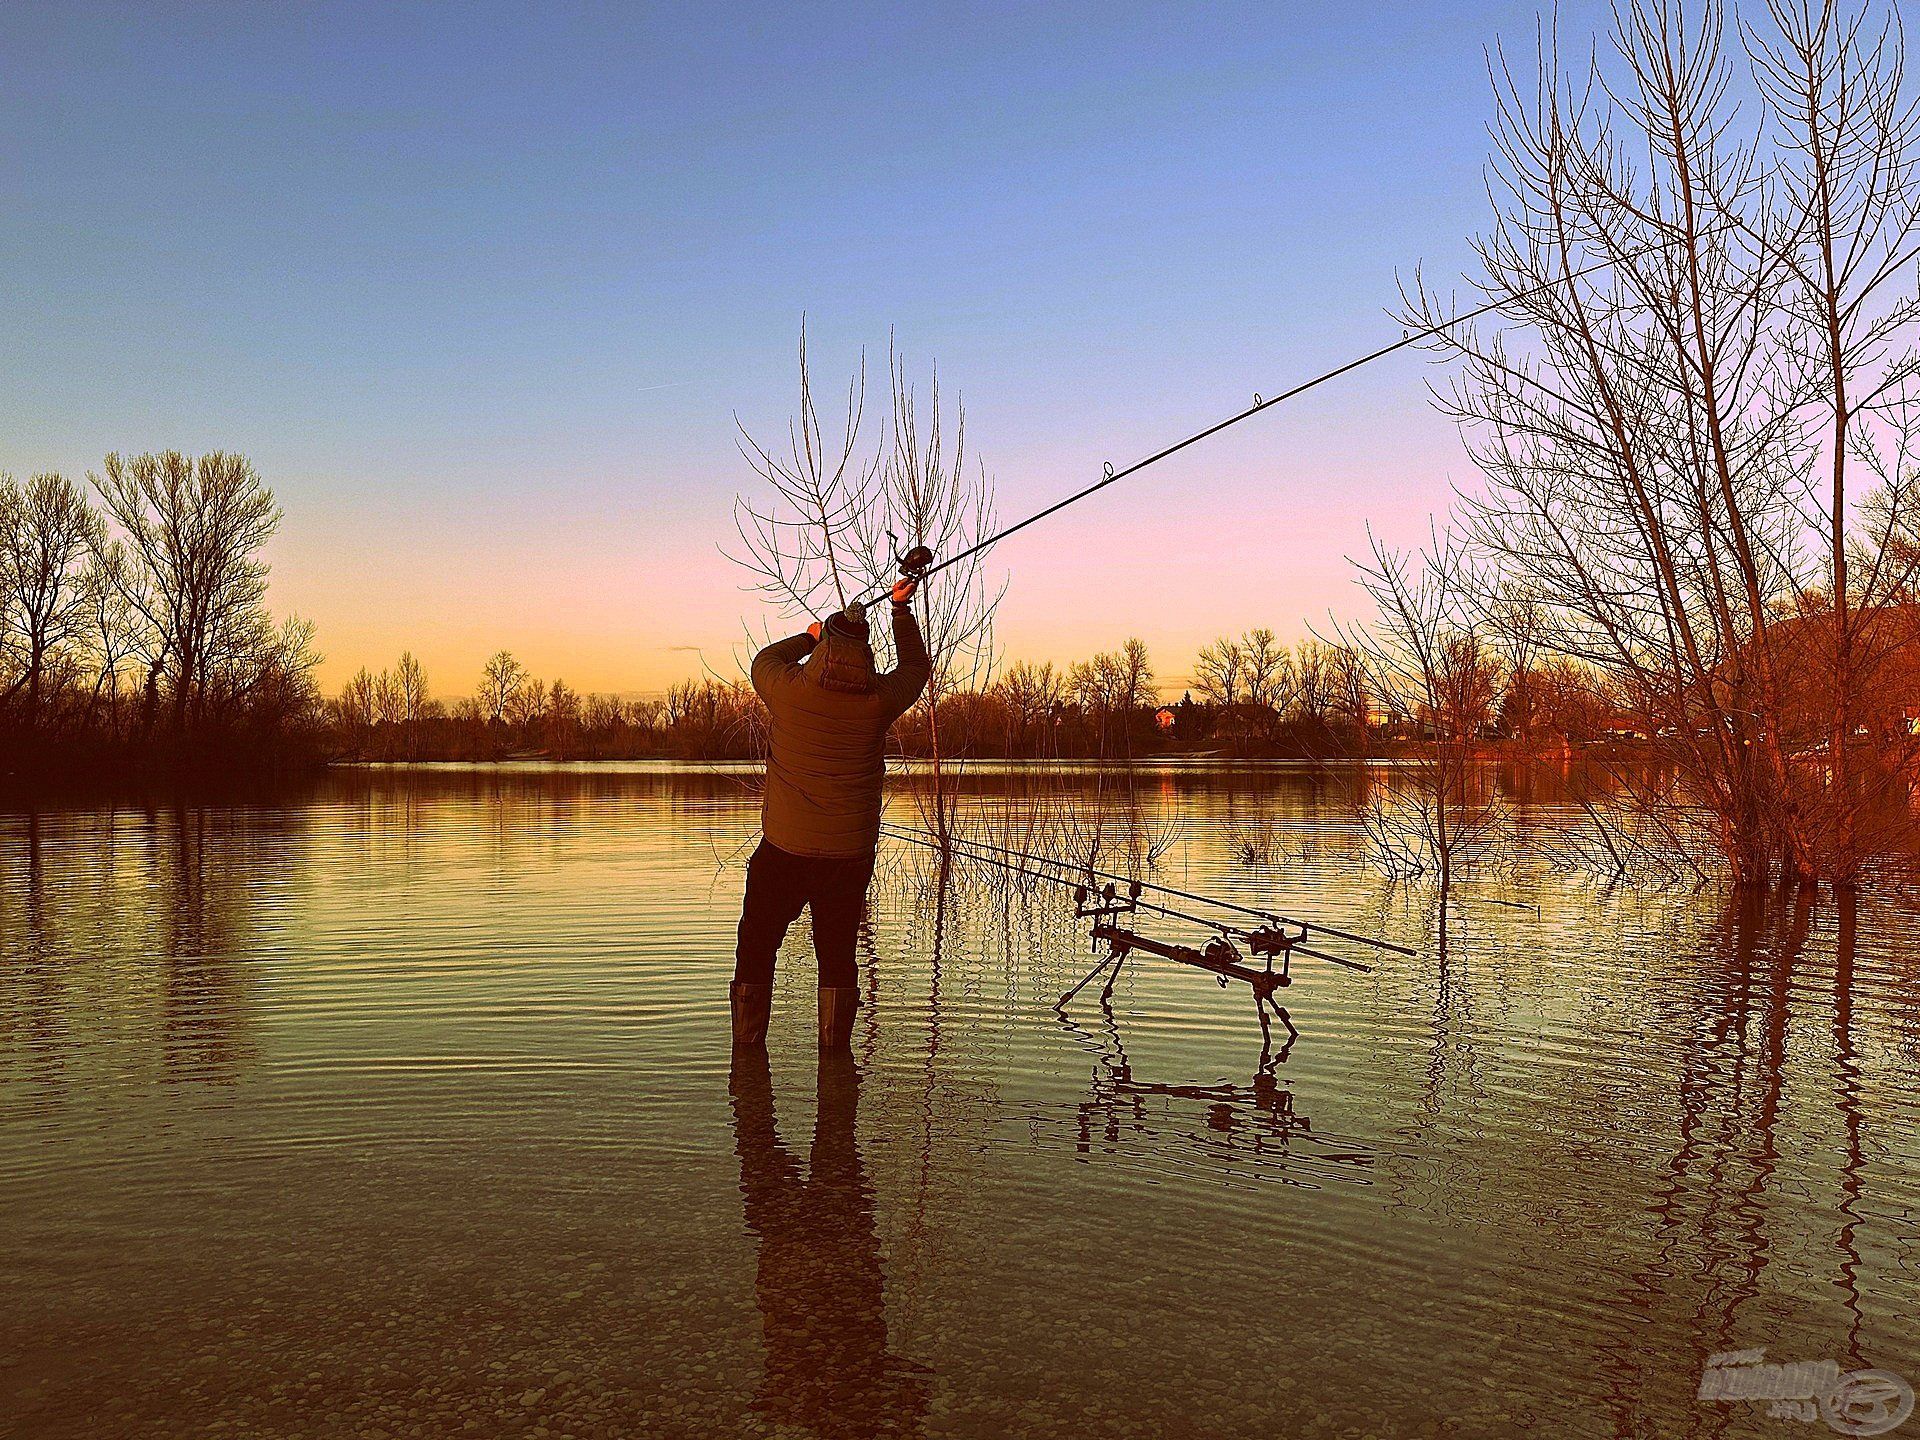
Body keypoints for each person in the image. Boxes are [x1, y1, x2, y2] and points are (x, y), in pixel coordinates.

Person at [731, 576, 929, 1049]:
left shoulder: (786, 688)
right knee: (837, 955)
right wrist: (901, 611)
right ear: (866, 654)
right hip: (847, 856)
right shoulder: (878, 700)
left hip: (782, 851)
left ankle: (747, 1055)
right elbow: (916, 669)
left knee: (757, 948)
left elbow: (764, 659)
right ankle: (835, 1063)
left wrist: (809, 636)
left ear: (823, 652)